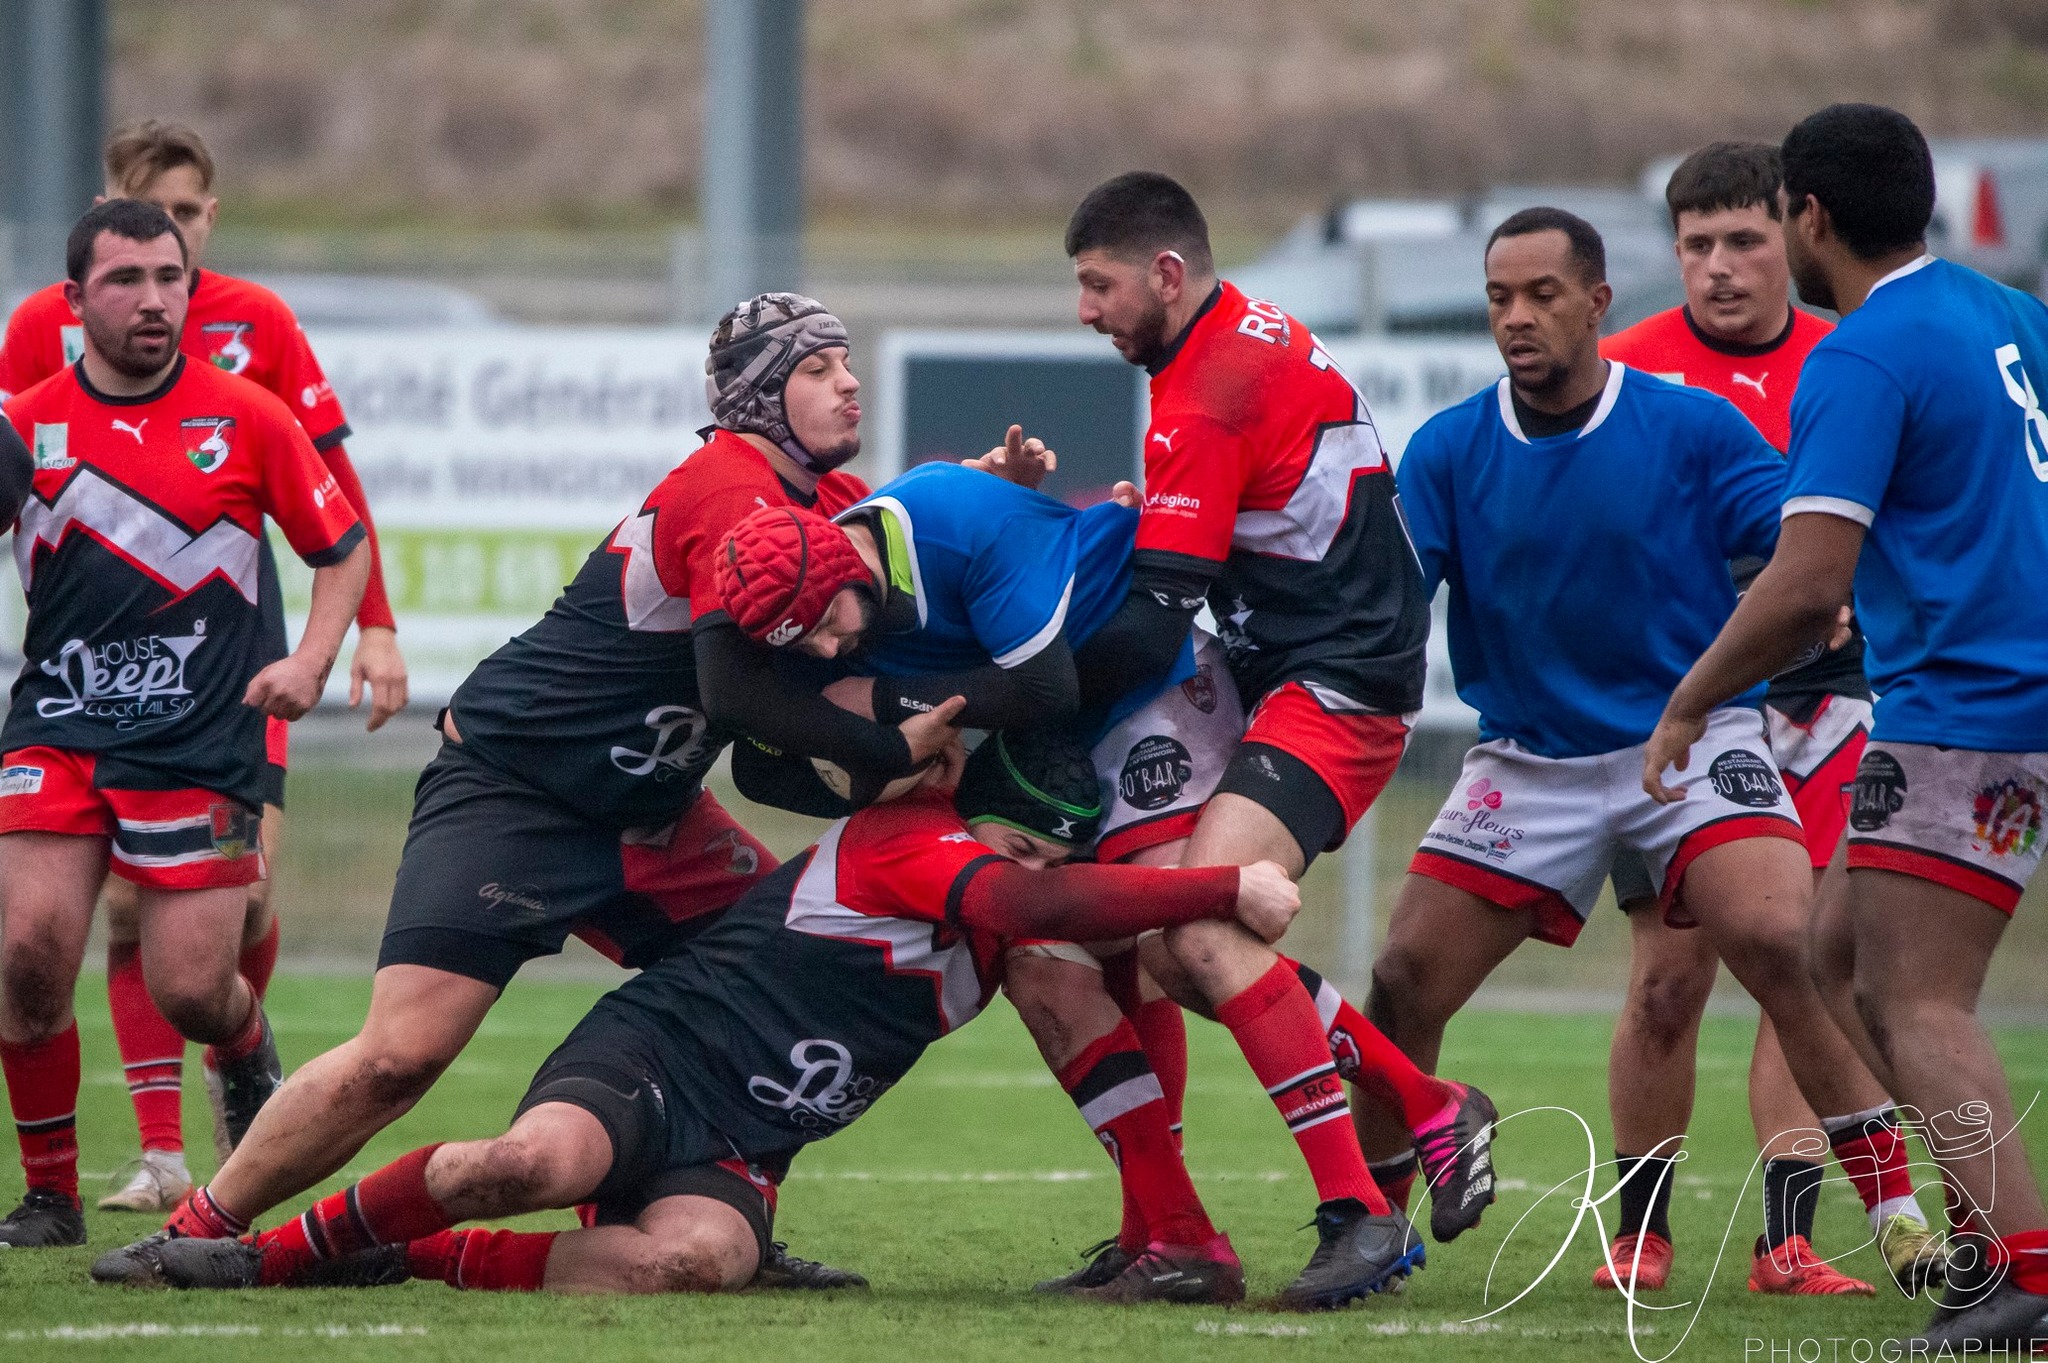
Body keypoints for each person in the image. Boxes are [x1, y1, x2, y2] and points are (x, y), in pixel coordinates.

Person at [90, 293, 956, 1289]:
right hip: (518, 796)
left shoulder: (818, 499)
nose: (847, 380)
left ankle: (718, 1206)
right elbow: (740, 690)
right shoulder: (729, 489)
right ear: (761, 395)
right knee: (398, 1056)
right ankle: (199, 1227)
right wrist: (882, 751)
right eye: (817, 366)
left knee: (781, 983)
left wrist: (990, 499)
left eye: (846, 361)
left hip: (651, 818)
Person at [132, 731, 1302, 1299]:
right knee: (529, 1161)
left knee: (695, 1262)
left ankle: (408, 1255)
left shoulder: (1019, 945)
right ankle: (266, 1255)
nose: (1034, 873)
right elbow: (1029, 892)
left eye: (1050, 852)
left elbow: (1086, 981)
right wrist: (1220, 883)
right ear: (981, 822)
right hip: (654, 1058)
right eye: (1020, 843)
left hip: (743, 1147)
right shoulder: (914, 844)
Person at [713, 470, 1497, 1304]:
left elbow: (1043, 683)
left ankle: (1384, 1170)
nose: (827, 648)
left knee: (1192, 941)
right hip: (1075, 730)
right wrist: (882, 754)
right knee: (1049, 968)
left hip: (1149, 689)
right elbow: (762, 760)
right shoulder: (829, 598)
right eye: (803, 647)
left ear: (844, 559)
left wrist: (877, 707)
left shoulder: (954, 519)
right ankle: (1170, 1234)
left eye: (828, 624)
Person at [1351, 204, 1911, 1299]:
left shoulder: (1687, 429)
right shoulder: (1451, 448)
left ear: (1597, 304)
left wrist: (1832, 597)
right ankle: (1370, 1218)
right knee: (1399, 978)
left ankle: (1895, 1218)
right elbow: (1382, 604)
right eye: (1498, 299)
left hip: (1690, 737)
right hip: (1528, 761)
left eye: (1541, 295)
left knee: (1778, 940)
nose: (1516, 318)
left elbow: (1803, 534)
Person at [997, 172, 1488, 1309]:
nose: (1086, 311)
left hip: (1336, 689)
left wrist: (1017, 702)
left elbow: (1158, 608)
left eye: (1097, 284)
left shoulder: (1206, 385)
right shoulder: (1228, 340)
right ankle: (1191, 1220)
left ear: (1166, 273)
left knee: (1201, 931)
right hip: (1282, 676)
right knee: (1143, 943)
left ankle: (1361, 1210)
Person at [1640, 104, 2048, 1351]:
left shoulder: (1862, 353)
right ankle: (1953, 1234)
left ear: (1805, 219)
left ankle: (2019, 1270)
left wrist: (1690, 695)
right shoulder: (2002, 314)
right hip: (1986, 696)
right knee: (1823, 958)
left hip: (1967, 708)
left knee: (1916, 998)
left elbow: (1806, 579)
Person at [0, 120, 407, 1210]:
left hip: (201, 731)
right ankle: (47, 1198)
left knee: (191, 987)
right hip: (61, 724)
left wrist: (319, 655)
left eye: (169, 278)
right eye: (125, 279)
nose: (153, 298)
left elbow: (341, 543)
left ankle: (244, 1048)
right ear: (71, 301)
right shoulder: (23, 427)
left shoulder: (248, 415)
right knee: (32, 955)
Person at [1595, 142, 1940, 1296]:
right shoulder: (1623, 372)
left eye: (1742, 240)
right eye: (1694, 246)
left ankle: (1784, 1241)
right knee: (1666, 976)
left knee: (1800, 961)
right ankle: (1636, 1232)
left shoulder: (1852, 361)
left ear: (1792, 235)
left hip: (1835, 706)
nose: (1718, 267)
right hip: (1694, 713)